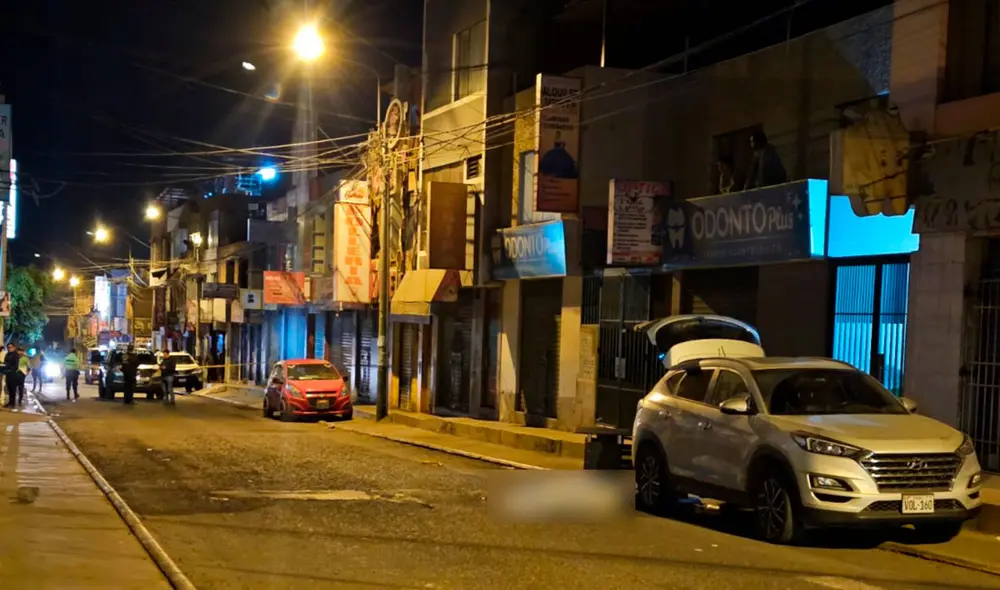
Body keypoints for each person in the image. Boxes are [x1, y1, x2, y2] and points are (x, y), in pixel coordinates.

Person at [2, 344, 18, 408]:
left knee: (13, 389)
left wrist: (9, 367)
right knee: (9, 389)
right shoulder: (7, 354)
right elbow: (5, 362)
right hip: (8, 374)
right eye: (8, 347)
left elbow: (16, 366)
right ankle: (10, 402)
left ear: (14, 347)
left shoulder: (16, 355)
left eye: (11, 347)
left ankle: (13, 403)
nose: (9, 348)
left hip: (13, 374)